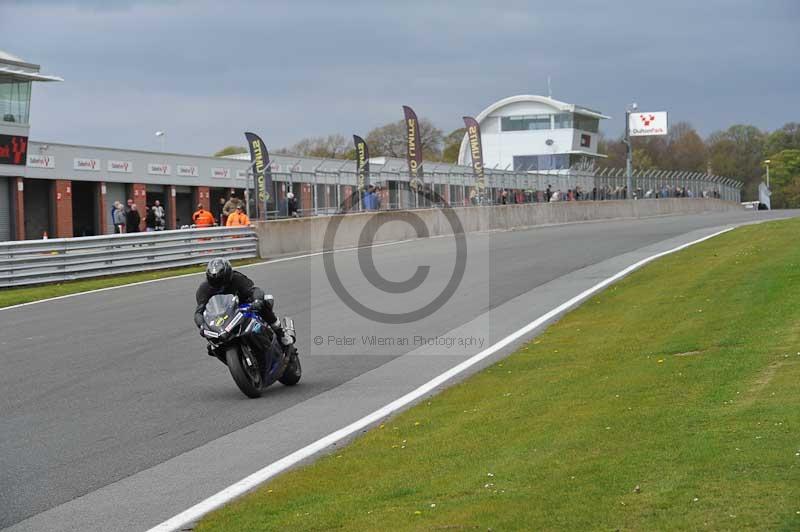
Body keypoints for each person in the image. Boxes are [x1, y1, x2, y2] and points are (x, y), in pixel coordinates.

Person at [193, 258, 294, 350]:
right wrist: (202, 325)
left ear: (228, 275)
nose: (219, 285)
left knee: (264, 304)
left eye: (221, 280)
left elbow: (254, 290)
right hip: (222, 318)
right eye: (215, 282)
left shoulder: (237, 278)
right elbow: (199, 312)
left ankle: (281, 333)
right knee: (212, 348)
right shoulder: (204, 290)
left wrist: (257, 301)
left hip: (243, 308)